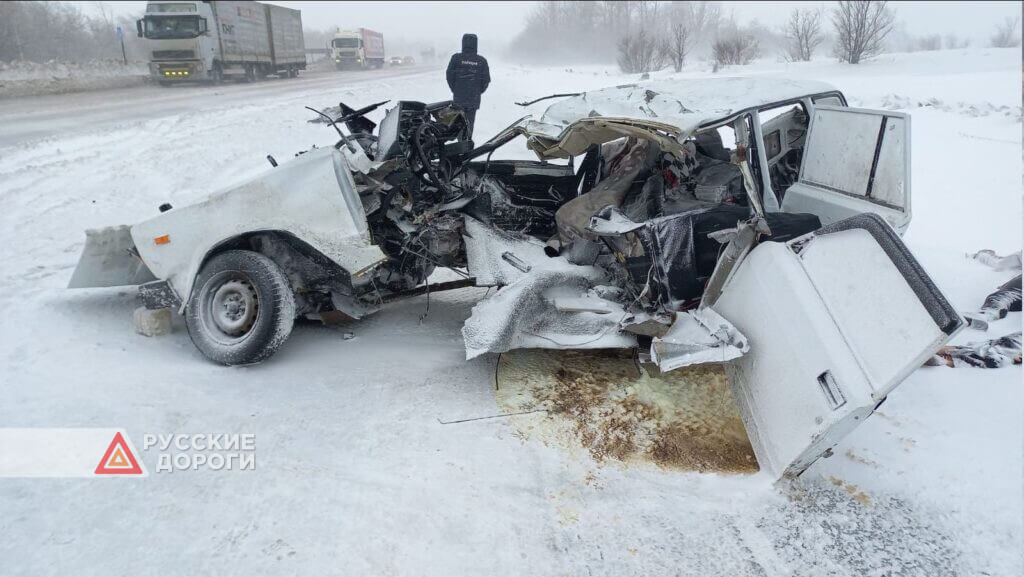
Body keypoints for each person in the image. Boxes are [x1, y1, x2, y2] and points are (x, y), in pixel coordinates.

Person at [446, 33, 490, 138]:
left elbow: (449, 76)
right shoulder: (481, 61)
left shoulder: (456, 58)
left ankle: (458, 145)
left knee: (457, 122)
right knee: (469, 123)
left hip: (459, 97)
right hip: (473, 99)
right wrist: (477, 91)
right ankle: (466, 145)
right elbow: (486, 80)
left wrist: (455, 89)